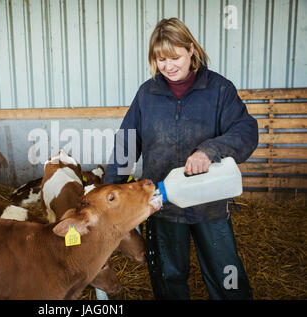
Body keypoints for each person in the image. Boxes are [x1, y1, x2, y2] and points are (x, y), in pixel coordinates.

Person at [104, 17, 258, 300]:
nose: (168, 66)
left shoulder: (219, 90)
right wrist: (110, 190)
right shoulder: (147, 94)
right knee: (168, 277)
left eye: (175, 56)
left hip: (210, 203)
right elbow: (128, 143)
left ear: (191, 50)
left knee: (227, 275)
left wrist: (209, 150)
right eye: (161, 59)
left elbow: (246, 131)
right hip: (163, 204)